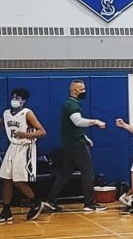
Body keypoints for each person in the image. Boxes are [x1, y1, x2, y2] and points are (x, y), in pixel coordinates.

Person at [0, 88, 47, 223]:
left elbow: (42, 132)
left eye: (18, 98)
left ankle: (36, 202)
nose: (15, 100)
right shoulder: (6, 113)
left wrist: (25, 135)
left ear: (24, 100)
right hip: (13, 147)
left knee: (18, 180)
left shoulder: (28, 113)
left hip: (25, 147)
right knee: (6, 179)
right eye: (13, 97)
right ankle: (6, 210)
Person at [43, 79, 107, 213]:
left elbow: (72, 127)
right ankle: (89, 204)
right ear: (74, 91)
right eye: (82, 89)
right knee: (87, 172)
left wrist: (85, 137)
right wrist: (96, 122)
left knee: (65, 173)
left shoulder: (71, 104)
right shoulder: (72, 104)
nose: (84, 91)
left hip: (69, 144)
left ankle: (51, 200)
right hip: (76, 146)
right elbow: (77, 122)